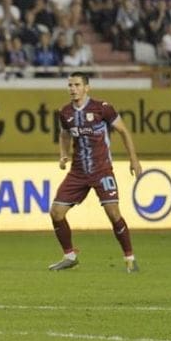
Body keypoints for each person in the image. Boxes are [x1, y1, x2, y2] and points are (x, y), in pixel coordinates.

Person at [48, 71, 142, 272]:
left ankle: (130, 259)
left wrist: (134, 160)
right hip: (78, 172)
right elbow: (64, 134)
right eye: (70, 85)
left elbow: (123, 131)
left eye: (77, 85)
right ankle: (70, 256)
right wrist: (63, 154)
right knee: (56, 212)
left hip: (102, 170)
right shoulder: (65, 112)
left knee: (113, 213)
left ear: (86, 87)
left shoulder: (102, 108)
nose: (73, 89)